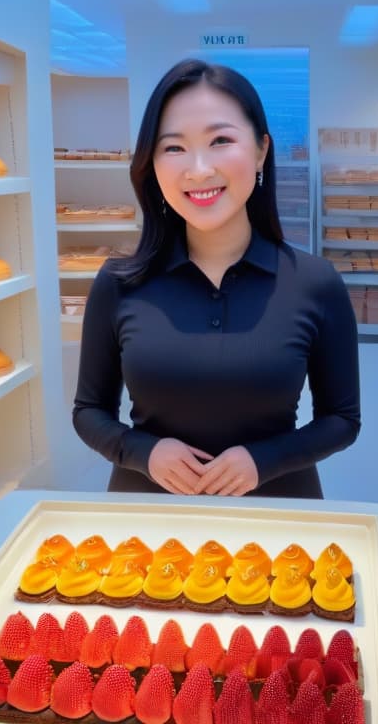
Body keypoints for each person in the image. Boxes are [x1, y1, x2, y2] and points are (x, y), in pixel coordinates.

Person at [72, 59, 360, 499]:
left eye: (221, 140)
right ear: (151, 162)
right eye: (174, 148)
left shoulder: (314, 282)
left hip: (280, 515)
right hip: (147, 516)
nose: (199, 169)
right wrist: (142, 452)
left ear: (262, 150)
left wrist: (264, 460)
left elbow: (341, 419)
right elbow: (89, 410)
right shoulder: (119, 281)